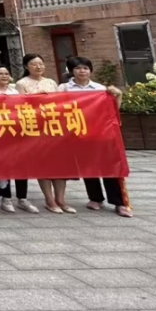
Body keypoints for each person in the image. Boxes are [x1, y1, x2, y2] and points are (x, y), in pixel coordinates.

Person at [58, 56, 131, 217]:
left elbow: (112, 112)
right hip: (78, 134)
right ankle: (95, 198)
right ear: (71, 71)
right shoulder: (64, 88)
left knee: (110, 167)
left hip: (101, 134)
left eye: (85, 68)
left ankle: (119, 202)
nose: (82, 71)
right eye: (78, 68)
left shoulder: (100, 89)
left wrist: (118, 96)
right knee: (88, 167)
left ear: (90, 70)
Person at [16, 54, 67, 213]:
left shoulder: (51, 82)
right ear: (26, 66)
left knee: (59, 164)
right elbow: (20, 106)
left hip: (54, 127)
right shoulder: (21, 83)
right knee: (43, 164)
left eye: (40, 63)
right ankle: (49, 199)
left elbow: (60, 103)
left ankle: (61, 199)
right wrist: (37, 98)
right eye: (34, 64)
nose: (38, 67)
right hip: (36, 128)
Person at [0, 64, 37, 213]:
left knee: (21, 165)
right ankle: (6, 198)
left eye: (6, 73)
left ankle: (22, 198)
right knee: (3, 165)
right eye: (0, 73)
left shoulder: (14, 91)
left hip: (15, 132)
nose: (4, 76)